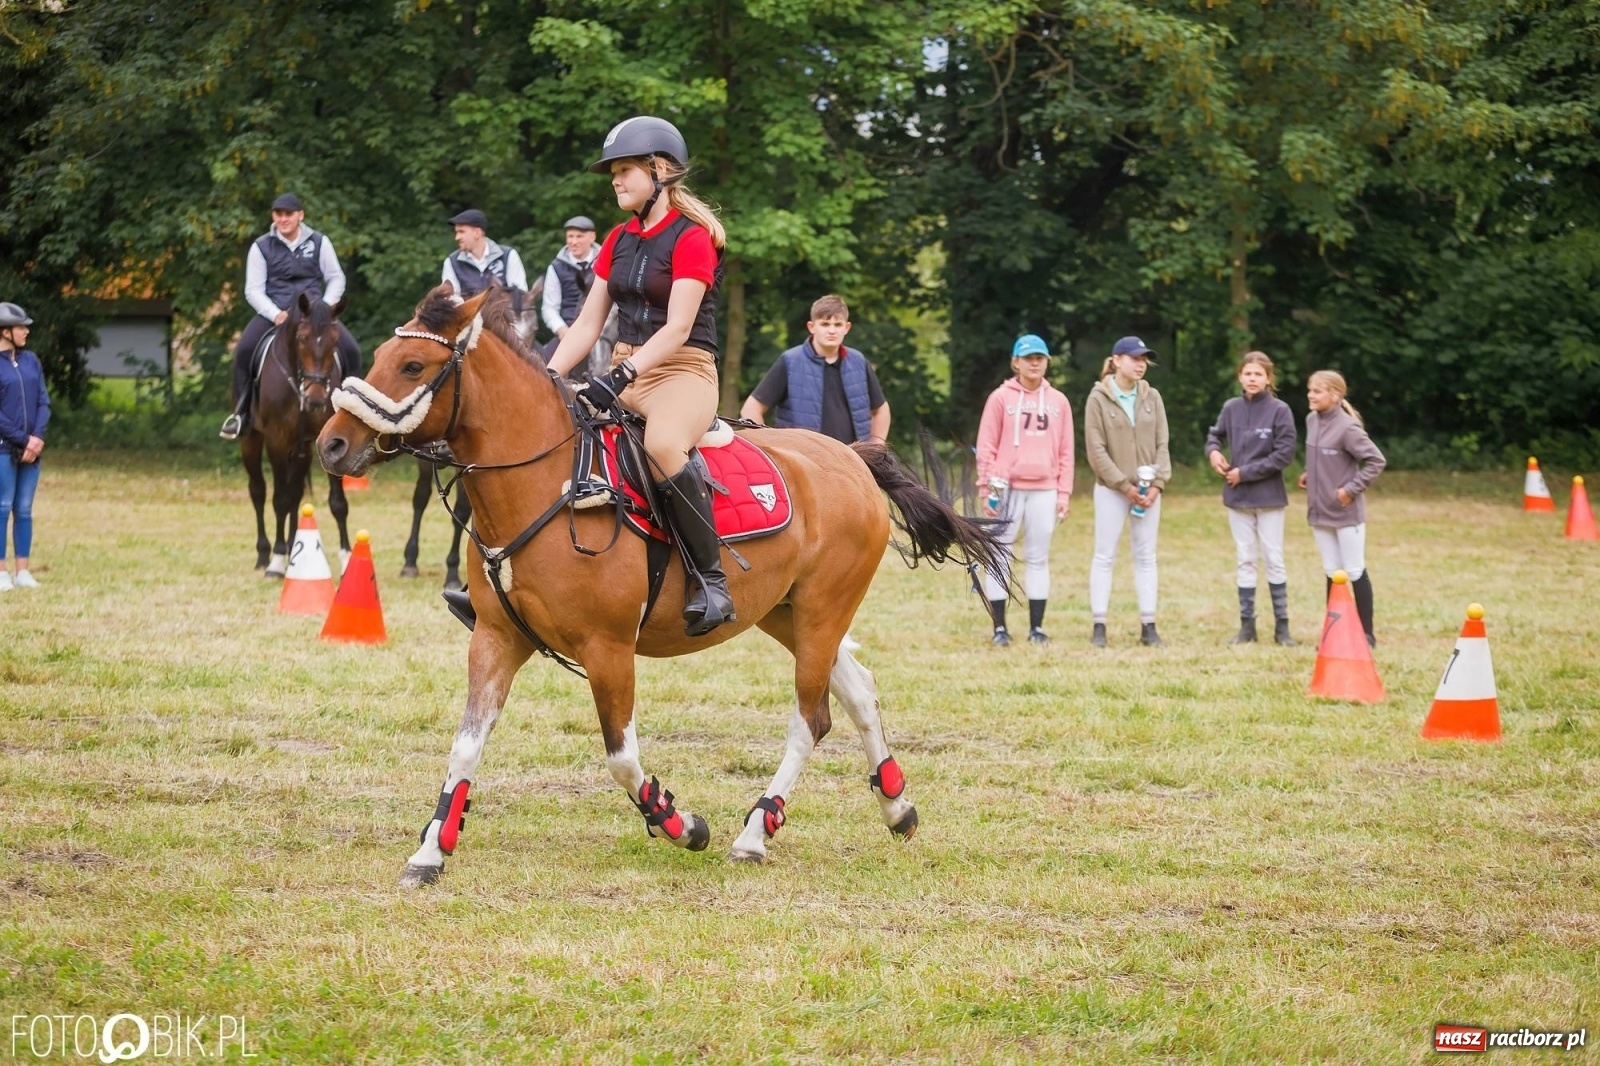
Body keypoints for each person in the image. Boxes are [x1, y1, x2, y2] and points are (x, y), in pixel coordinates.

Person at [545, 116, 734, 637]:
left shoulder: (693, 239)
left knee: (664, 445)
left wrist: (621, 373)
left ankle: (710, 581)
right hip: (626, 370)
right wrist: (548, 377)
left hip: (683, 371)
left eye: (625, 170)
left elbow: (677, 329)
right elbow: (586, 324)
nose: (615, 180)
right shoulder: (617, 239)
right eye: (613, 173)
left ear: (660, 171)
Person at [219, 193, 362, 439]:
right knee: (243, 351)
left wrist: (324, 309)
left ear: (300, 215)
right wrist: (274, 314)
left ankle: (356, 414)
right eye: (278, 214)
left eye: (289, 214)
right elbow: (253, 289)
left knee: (352, 351)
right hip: (277, 311)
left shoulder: (320, 242)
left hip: (315, 313)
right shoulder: (261, 246)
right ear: (274, 216)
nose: (283, 219)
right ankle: (242, 415)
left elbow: (336, 277)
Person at [974, 333, 1074, 646]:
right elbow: (986, 445)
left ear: (1047, 362)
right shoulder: (1000, 398)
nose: (1034, 363)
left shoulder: (1058, 401)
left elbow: (1066, 450)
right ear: (1016, 362)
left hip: (1044, 488)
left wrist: (1064, 492)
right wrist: (986, 487)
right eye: (1028, 358)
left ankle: (1037, 628)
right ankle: (1000, 628)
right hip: (1006, 487)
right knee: (999, 556)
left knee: (1038, 557)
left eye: (1040, 358)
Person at [1205, 350, 1298, 646]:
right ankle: (1247, 626)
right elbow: (1214, 436)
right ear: (1240, 377)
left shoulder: (1280, 410)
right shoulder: (1231, 407)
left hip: (1268, 496)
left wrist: (1245, 473)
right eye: (1248, 374)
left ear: (1269, 378)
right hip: (1238, 498)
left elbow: (1284, 454)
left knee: (1273, 558)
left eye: (1259, 374)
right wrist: (1214, 452)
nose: (1253, 378)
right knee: (1245, 558)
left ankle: (1282, 628)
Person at [1083, 336, 1171, 647]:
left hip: (1148, 492)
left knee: (1146, 556)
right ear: (1117, 360)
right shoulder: (1098, 398)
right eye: (1134, 358)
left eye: (1144, 359)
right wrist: (1124, 485)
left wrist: (1157, 483)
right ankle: (1099, 626)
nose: (1141, 364)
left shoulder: (1153, 396)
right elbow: (1096, 450)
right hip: (1111, 490)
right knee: (1104, 555)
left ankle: (1149, 626)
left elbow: (1162, 444)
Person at [1299, 369, 1386, 646]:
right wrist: (1308, 471)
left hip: (1346, 514)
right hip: (1319, 512)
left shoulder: (1348, 428)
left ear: (1335, 395)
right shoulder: (1311, 420)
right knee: (1331, 571)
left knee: (1354, 570)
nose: (1311, 395)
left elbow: (1376, 461)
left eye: (1318, 391)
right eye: (1310, 390)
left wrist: (1350, 490)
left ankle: (1366, 635)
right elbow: (1319, 456)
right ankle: (1333, 633)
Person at [740, 294, 890, 445]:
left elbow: (881, 410)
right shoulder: (790, 361)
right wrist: (771, 447)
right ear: (812, 327)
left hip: (854, 461)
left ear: (847, 327)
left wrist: (876, 448)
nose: (832, 330)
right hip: (804, 463)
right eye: (825, 324)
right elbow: (751, 409)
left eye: (838, 324)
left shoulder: (858, 362)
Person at [0, 302, 50, 591]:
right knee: (2, 508)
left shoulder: (31, 360)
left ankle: (23, 571)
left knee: (25, 509)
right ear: (5, 332)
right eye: (21, 327)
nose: (26, 331)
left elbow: (43, 400)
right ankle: (2, 572)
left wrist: (38, 437)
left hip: (33, 448)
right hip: (5, 448)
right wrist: (23, 439)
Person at [441, 208, 528, 299]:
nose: (457, 237)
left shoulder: (508, 255)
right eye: (456, 232)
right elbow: (451, 301)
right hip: (470, 313)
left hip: (504, 313)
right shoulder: (452, 262)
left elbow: (521, 297)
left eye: (461, 232)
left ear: (477, 233)